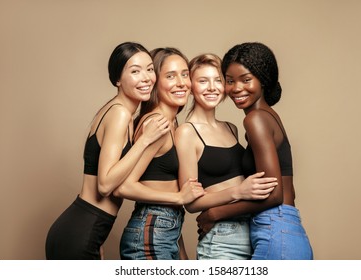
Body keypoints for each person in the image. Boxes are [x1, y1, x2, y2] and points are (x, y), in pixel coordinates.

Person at [45, 42, 173, 259]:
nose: (146, 78)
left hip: (86, 229)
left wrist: (94, 240)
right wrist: (145, 140)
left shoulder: (118, 112)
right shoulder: (119, 114)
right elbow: (104, 185)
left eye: (150, 69)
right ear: (117, 79)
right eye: (135, 71)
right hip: (83, 228)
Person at [197, 42, 313, 260]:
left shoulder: (255, 119)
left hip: (276, 229)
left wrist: (214, 213)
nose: (236, 88)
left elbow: (275, 195)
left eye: (246, 79)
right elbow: (287, 192)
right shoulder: (269, 116)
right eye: (230, 81)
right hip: (287, 230)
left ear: (263, 80)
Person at [175, 53, 278, 259]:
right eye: (203, 81)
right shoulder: (186, 132)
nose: (212, 87)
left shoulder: (231, 128)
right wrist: (238, 191)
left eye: (218, 80)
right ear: (191, 87)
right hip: (222, 238)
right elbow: (191, 202)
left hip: (254, 229)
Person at [114, 47, 205, 260]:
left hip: (164, 230)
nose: (182, 83)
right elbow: (124, 186)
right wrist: (178, 197)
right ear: (155, 82)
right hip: (150, 232)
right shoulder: (157, 123)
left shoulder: (171, 122)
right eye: (171, 76)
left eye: (185, 74)